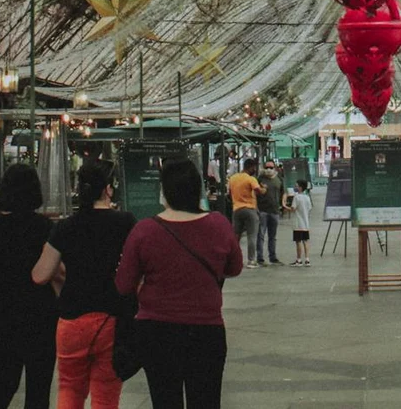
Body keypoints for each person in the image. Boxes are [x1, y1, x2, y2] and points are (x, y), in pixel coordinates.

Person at [115, 157, 244, 408]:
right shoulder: (218, 223)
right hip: (206, 330)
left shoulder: (144, 230)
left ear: (164, 190)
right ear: (197, 189)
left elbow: (123, 284)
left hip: (156, 331)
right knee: (206, 400)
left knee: (165, 400)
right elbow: (234, 268)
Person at [32, 162, 135, 409]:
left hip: (71, 319)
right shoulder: (125, 222)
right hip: (110, 318)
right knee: (105, 394)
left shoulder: (65, 226)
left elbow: (40, 274)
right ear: (108, 190)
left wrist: (61, 275)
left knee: (69, 387)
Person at [0, 164, 57, 409]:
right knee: (39, 385)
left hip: (2, 311)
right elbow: (55, 272)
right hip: (40, 311)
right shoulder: (46, 227)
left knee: (4, 382)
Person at [227, 159, 265, 270]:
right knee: (251, 236)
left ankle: (233, 260)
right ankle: (251, 260)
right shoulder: (250, 179)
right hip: (250, 209)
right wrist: (265, 189)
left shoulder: (233, 178)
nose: (255, 170)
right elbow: (259, 191)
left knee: (236, 236)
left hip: (236, 209)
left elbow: (229, 193)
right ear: (251, 167)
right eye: (254, 167)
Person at [255, 159, 285, 266]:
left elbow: (283, 192)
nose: (268, 169)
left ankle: (273, 257)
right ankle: (260, 258)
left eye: (271, 167)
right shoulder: (260, 179)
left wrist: (283, 206)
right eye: (267, 167)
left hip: (275, 211)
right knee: (261, 235)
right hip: (262, 211)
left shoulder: (279, 179)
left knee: (273, 236)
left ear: (275, 168)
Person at [289, 179, 313, 267]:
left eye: (296, 186)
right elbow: (309, 208)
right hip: (306, 224)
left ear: (300, 187)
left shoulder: (297, 197)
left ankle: (298, 260)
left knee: (298, 241)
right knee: (306, 241)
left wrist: (284, 205)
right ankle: (307, 259)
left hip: (298, 224)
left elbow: (293, 208)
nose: (295, 187)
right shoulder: (307, 197)